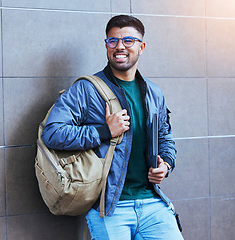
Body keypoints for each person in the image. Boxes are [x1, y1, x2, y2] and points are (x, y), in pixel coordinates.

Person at [42, 15, 183, 240]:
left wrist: (165, 165)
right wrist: (104, 131)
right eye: (112, 41)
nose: (120, 47)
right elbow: (53, 133)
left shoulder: (154, 92)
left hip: (153, 203)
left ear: (142, 46)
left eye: (128, 40)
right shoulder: (86, 89)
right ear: (106, 45)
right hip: (109, 209)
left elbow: (165, 137)